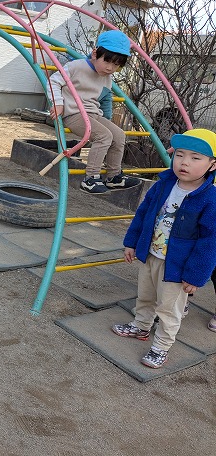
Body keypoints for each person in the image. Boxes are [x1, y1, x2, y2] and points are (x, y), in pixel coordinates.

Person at [112, 128, 216, 368]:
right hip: (151, 255)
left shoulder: (210, 199)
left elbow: (210, 242)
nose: (184, 162)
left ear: (212, 165)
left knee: (169, 309)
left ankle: (161, 346)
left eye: (195, 158)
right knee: (145, 295)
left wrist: (195, 276)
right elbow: (143, 214)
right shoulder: (164, 185)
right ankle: (141, 326)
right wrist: (131, 242)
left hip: (177, 267)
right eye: (179, 155)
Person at [49, 30, 142, 194]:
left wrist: (107, 121)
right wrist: (58, 103)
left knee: (119, 135)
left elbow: (105, 100)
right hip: (73, 114)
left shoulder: (107, 77)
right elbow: (53, 81)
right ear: (94, 54)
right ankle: (90, 178)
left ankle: (113, 177)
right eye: (107, 61)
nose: (110, 68)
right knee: (103, 136)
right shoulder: (76, 66)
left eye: (116, 65)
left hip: (93, 114)